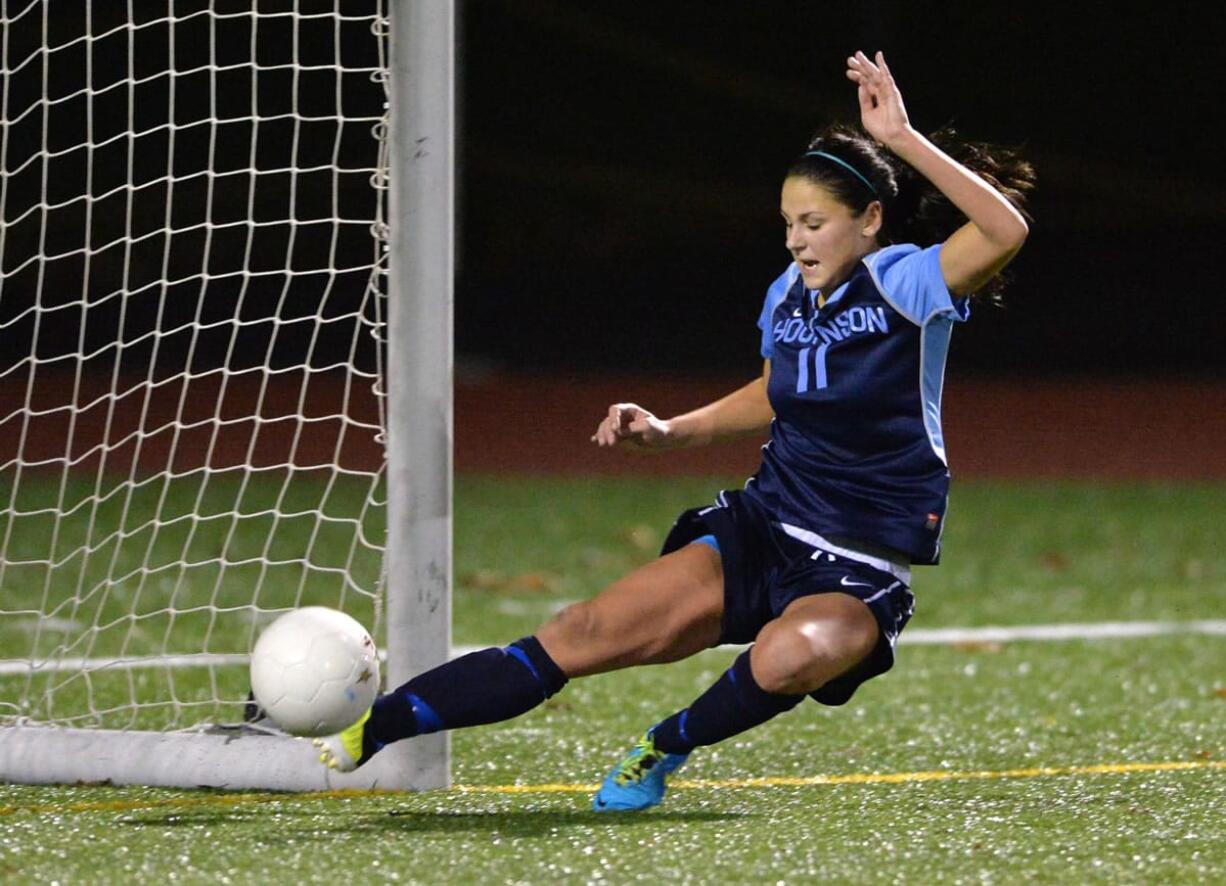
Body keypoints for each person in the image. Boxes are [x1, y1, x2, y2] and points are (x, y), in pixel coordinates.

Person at [314, 50, 1034, 811]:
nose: (796, 239)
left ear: (870, 220)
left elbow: (1003, 228)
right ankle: (370, 731)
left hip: (859, 565)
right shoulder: (787, 291)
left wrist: (904, 138)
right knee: (583, 629)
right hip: (768, 528)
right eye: (788, 222)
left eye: (814, 222)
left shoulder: (907, 283)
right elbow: (771, 393)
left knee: (789, 656)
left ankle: (667, 744)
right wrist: (668, 432)